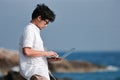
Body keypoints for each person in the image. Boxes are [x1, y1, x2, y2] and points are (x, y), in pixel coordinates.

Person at [19, 4, 60, 80]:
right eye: (46, 22)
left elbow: (32, 56)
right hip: (35, 73)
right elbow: (27, 51)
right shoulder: (30, 30)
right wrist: (47, 53)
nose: (46, 25)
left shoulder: (34, 31)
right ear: (39, 18)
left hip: (38, 73)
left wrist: (48, 59)